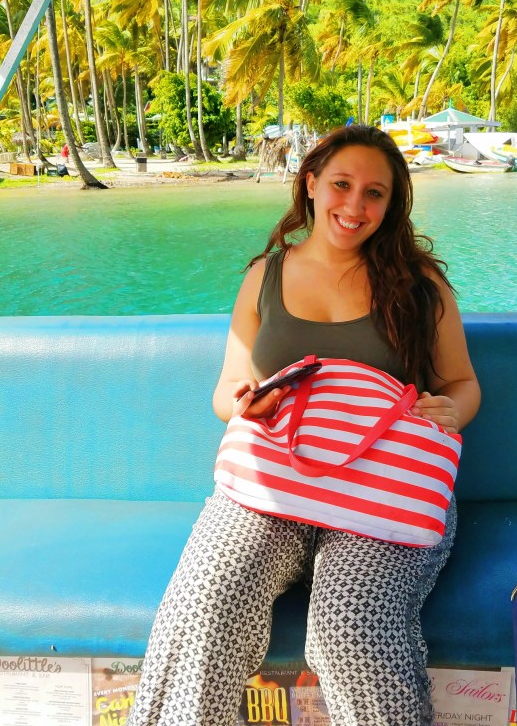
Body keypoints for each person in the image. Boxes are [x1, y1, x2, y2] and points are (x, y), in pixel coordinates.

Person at [127, 124, 480, 726]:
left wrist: (454, 409)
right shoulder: (264, 276)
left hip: (386, 490)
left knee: (353, 624)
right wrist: (239, 404)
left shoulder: (422, 287)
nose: (354, 205)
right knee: (204, 604)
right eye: (342, 184)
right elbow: (226, 390)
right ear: (311, 183)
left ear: (392, 205)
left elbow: (462, 383)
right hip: (274, 482)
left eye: (375, 193)